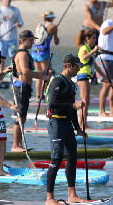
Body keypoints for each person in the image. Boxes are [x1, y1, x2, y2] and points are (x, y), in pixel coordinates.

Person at [45, 54, 88, 205]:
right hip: (55, 123)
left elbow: (72, 111)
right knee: (56, 160)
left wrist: (78, 129)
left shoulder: (70, 83)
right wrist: (73, 105)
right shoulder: (58, 81)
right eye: (77, 66)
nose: (78, 69)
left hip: (67, 125)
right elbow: (52, 104)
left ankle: (72, 195)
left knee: (72, 157)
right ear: (69, 65)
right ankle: (49, 198)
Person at [11, 30, 49, 152]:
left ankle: (19, 145)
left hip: (23, 87)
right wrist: (42, 77)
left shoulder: (24, 53)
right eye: (31, 40)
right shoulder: (22, 54)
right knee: (20, 117)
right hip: (21, 87)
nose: (33, 42)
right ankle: (15, 146)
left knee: (22, 117)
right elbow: (25, 71)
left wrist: (41, 73)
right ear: (23, 40)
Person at [75, 29, 105, 129]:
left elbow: (95, 65)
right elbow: (83, 58)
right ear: (87, 38)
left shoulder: (88, 48)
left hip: (86, 77)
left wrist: (103, 76)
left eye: (95, 39)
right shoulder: (84, 48)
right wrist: (94, 51)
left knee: (86, 102)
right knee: (84, 102)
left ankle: (83, 124)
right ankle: (82, 125)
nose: (94, 40)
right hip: (82, 76)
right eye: (93, 38)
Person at [0, 0, 24, 71]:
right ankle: (1, 74)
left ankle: (13, 74)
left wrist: (18, 24)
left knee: (13, 58)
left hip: (12, 39)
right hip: (1, 39)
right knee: (1, 58)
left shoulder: (15, 10)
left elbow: (21, 22)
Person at [32, 11, 59, 102]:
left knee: (39, 74)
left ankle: (38, 96)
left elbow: (35, 39)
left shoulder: (38, 25)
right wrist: (55, 33)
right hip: (44, 53)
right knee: (48, 73)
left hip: (34, 51)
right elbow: (56, 42)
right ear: (51, 18)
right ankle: (44, 94)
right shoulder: (53, 27)